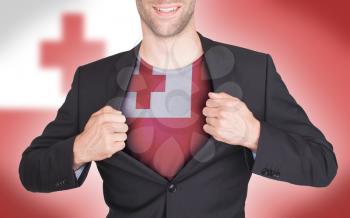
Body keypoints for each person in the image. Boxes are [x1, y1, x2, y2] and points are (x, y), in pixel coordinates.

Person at [19, 0, 338, 217]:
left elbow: (322, 164)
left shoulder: (254, 70)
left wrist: (254, 134)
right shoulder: (92, 79)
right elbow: (31, 171)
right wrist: (79, 149)